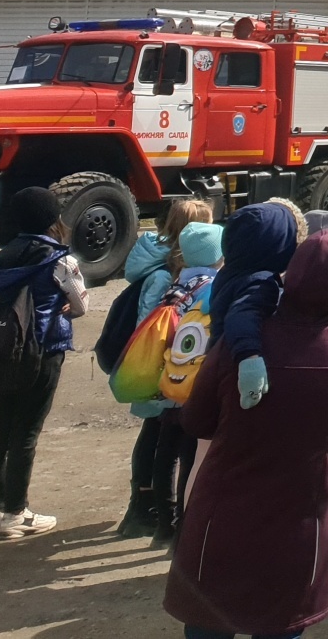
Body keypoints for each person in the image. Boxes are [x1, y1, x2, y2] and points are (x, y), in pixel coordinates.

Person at [164, 229, 328, 639]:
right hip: (300, 517)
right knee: (282, 623)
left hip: (223, 508)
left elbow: (196, 421)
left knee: (209, 621)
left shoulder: (243, 342)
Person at [0, 186, 87, 539]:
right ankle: (17, 512)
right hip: (43, 350)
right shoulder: (60, 259)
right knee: (26, 432)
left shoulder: (3, 255)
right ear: (54, 218)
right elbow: (81, 305)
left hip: (3, 349)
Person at [116, 197, 215, 541]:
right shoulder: (164, 275)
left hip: (165, 370)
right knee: (162, 442)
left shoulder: (165, 270)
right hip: (165, 371)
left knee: (160, 439)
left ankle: (150, 512)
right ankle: (147, 510)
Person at [137, 219, 223, 549]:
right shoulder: (211, 289)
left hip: (169, 380)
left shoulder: (175, 286)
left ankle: (163, 523)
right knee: (190, 455)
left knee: (165, 451)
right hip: (195, 387)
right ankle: (186, 525)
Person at [207, 202, 299, 413]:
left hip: (217, 359)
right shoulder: (259, 282)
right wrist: (250, 361)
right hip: (236, 370)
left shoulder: (231, 272)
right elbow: (241, 316)